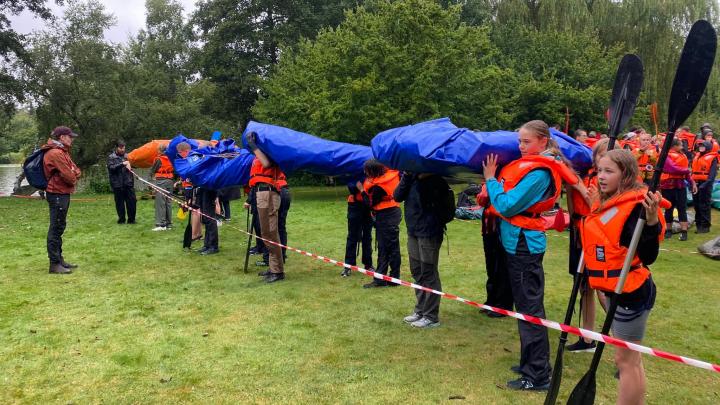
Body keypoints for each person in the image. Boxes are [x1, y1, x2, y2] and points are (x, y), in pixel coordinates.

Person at [483, 120, 584, 391]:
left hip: (524, 247)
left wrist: (491, 180)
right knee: (525, 308)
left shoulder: (539, 174)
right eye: (519, 141)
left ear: (543, 141)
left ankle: (538, 375)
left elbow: (505, 204)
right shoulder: (532, 165)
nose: (520, 146)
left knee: (531, 311)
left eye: (526, 142)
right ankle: (529, 362)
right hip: (517, 244)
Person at [580, 149, 667, 405]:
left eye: (609, 171)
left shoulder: (635, 207)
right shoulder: (608, 201)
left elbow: (648, 255)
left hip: (632, 291)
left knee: (625, 361)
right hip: (615, 288)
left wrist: (651, 222)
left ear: (626, 174)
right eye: (599, 171)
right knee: (630, 359)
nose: (601, 177)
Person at [565, 138, 610, 353]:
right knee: (584, 288)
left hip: (597, 238)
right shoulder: (586, 175)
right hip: (579, 232)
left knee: (603, 290)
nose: (600, 160)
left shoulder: (612, 182)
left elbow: (602, 209)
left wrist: (580, 186)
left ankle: (623, 341)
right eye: (599, 155)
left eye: (605, 155)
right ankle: (588, 338)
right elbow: (574, 207)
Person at [394, 172, 451, 328]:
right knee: (417, 271)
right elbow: (397, 196)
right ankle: (420, 310)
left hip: (429, 232)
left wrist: (422, 178)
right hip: (413, 230)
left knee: (428, 272)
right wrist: (406, 176)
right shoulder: (410, 178)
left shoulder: (436, 181)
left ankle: (431, 316)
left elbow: (430, 201)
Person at [42, 126, 81, 274]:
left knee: (60, 226)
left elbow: (77, 170)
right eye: (70, 136)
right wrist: (72, 174)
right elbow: (70, 176)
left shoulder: (62, 152)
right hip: (57, 193)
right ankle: (54, 264)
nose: (72, 139)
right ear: (62, 137)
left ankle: (59, 259)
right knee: (56, 228)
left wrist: (73, 173)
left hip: (62, 192)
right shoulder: (56, 153)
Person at [246, 132, 285, 283]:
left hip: (268, 194)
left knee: (271, 233)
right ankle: (273, 267)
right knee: (265, 233)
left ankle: (278, 272)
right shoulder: (258, 155)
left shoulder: (271, 153)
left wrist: (253, 145)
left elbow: (267, 164)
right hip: (261, 193)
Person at [359, 159, 402, 288]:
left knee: (385, 248)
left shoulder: (379, 187)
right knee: (393, 247)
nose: (365, 173)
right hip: (393, 212)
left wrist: (361, 190)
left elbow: (370, 204)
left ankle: (381, 279)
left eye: (367, 171)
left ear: (373, 171)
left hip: (386, 216)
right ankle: (393, 278)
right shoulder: (390, 177)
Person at [660, 139, 696, 241]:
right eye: (680, 145)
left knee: (682, 209)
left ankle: (684, 232)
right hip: (668, 186)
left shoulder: (683, 156)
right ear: (674, 146)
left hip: (680, 186)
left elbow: (686, 174)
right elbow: (672, 168)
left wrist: (692, 182)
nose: (682, 147)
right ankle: (668, 231)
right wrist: (687, 170)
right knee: (669, 209)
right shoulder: (666, 155)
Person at [259, 167, 291, 266]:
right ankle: (281, 255)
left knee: (270, 228)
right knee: (280, 226)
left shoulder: (265, 156)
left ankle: (270, 259)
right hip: (283, 189)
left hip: (274, 189)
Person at [342, 180, 374, 277]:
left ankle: (368, 264)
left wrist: (363, 189)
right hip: (354, 205)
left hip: (368, 205)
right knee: (352, 236)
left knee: (367, 236)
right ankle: (348, 265)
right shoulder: (354, 172)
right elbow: (352, 188)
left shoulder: (371, 172)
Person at [691, 140, 718, 234]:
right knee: (696, 204)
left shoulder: (713, 158)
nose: (701, 147)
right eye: (700, 146)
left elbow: (712, 174)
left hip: (705, 183)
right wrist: (692, 181)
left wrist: (705, 185)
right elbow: (693, 170)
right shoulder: (697, 156)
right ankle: (699, 224)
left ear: (708, 147)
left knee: (704, 205)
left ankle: (705, 226)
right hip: (695, 183)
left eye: (703, 146)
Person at [107, 140, 136, 224]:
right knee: (120, 203)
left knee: (132, 202)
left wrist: (132, 166)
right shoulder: (111, 157)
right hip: (117, 184)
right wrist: (122, 164)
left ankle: (131, 220)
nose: (123, 149)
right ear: (116, 148)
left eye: (124, 148)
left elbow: (133, 165)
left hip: (128, 183)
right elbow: (111, 168)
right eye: (121, 148)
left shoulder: (128, 156)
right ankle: (121, 219)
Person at [148, 144, 174, 231]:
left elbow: (152, 170)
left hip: (161, 181)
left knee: (160, 202)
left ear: (160, 150)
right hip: (170, 180)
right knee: (168, 202)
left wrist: (150, 181)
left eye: (158, 150)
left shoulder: (158, 159)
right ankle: (168, 224)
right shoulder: (170, 158)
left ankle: (161, 224)